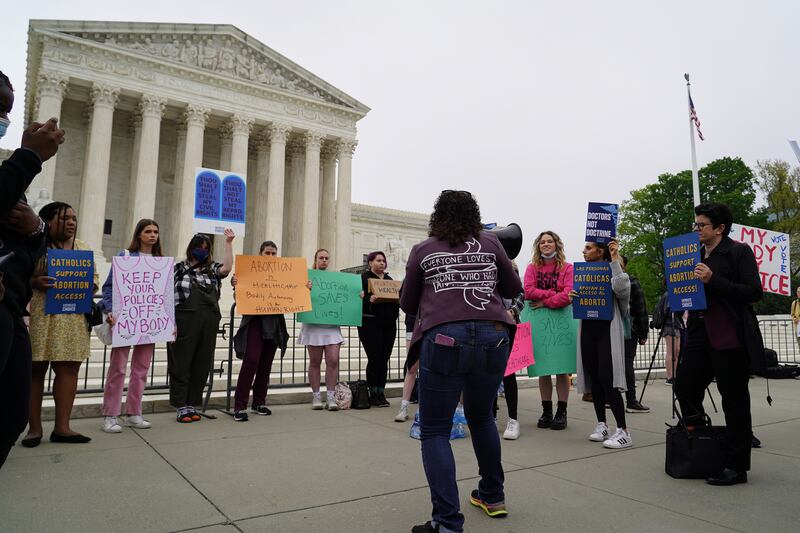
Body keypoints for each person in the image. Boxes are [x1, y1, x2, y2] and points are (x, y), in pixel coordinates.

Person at [401, 190, 522, 533]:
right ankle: (492, 496)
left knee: (435, 429)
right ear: (475, 214)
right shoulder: (491, 243)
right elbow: (512, 286)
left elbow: (408, 303)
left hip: (443, 339)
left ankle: (447, 522)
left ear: (438, 215)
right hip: (493, 334)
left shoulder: (423, 250)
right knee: (482, 417)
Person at [0, 70, 64, 468]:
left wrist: (38, 226)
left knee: (11, 415)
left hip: (10, 304)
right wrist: (29, 156)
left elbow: (30, 235)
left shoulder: (9, 175)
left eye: (6, 110)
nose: (4, 118)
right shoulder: (15, 167)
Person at [675, 203, 763, 486]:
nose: (696, 229)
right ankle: (702, 444)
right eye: (695, 225)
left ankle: (737, 466)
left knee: (734, 399)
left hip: (728, 333)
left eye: (701, 225)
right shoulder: (693, 254)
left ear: (720, 228)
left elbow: (752, 292)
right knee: (685, 386)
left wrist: (713, 280)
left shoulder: (738, 252)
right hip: (699, 331)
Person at [24, 202, 99, 446]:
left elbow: (94, 280)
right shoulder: (35, 247)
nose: (71, 223)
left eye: (74, 219)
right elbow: (19, 275)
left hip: (72, 318)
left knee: (69, 371)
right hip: (40, 316)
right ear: (47, 220)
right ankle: (34, 429)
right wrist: (35, 282)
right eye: (64, 218)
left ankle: (62, 427)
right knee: (35, 371)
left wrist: (89, 285)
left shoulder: (82, 248)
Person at [100, 219, 163, 433]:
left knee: (141, 370)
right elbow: (108, 287)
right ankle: (110, 414)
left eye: (155, 231)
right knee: (118, 368)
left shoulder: (160, 261)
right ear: (139, 235)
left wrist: (168, 321)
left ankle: (134, 412)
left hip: (148, 321)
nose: (153, 235)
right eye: (148, 231)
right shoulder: (124, 256)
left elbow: (164, 297)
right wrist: (109, 310)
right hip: (125, 320)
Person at [571, 239, 633, 449]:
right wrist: (575, 296)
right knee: (594, 378)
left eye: (588, 248)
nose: (584, 251)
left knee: (608, 378)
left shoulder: (613, 269)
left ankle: (623, 431)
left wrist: (615, 259)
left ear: (600, 251)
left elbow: (623, 290)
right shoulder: (584, 273)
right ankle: (601, 424)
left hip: (607, 329)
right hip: (588, 328)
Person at [169, 230, 234, 423]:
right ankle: (181, 405)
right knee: (181, 363)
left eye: (206, 249)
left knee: (201, 363)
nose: (202, 251)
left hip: (208, 321)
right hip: (184, 320)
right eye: (199, 248)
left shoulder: (211, 269)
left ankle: (192, 403)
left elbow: (226, 269)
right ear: (192, 248)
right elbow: (166, 297)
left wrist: (228, 243)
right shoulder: (178, 268)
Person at [522, 231, 574, 435]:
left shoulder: (567, 268)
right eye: (542, 242)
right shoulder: (532, 267)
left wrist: (544, 301)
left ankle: (562, 411)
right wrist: (554, 294)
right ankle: (546, 411)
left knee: (562, 370)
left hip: (561, 325)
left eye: (549, 241)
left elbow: (569, 295)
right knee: (543, 370)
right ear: (538, 246)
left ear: (556, 244)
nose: (546, 244)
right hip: (540, 326)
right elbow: (528, 291)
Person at [231, 241, 289, 421]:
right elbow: (238, 297)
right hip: (255, 321)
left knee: (266, 364)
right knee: (251, 360)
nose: (270, 256)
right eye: (267, 253)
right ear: (260, 253)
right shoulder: (250, 272)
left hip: (273, 322)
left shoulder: (283, 274)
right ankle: (240, 406)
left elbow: (292, 294)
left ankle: (258, 402)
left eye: (273, 253)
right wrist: (236, 285)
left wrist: (305, 289)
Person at [300, 249, 343, 411]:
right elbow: (298, 297)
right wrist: (306, 289)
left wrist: (357, 295)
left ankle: (331, 397)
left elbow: (346, 298)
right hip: (313, 324)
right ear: (316, 260)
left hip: (331, 325)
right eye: (321, 258)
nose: (324, 260)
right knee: (315, 361)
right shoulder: (307, 278)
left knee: (333, 360)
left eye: (326, 258)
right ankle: (316, 396)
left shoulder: (337, 279)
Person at [358, 251, 400, 407]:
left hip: (389, 324)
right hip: (370, 324)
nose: (382, 263)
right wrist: (368, 299)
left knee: (384, 358)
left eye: (383, 261)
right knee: (374, 357)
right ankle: (373, 392)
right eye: (378, 260)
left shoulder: (389, 280)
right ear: (370, 263)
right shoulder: (363, 278)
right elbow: (357, 299)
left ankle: (381, 391)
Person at [621, 255, 650, 413]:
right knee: (623, 365)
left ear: (624, 265)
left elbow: (641, 308)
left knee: (626, 365)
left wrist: (642, 332)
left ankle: (629, 399)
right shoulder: (630, 282)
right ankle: (629, 400)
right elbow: (641, 308)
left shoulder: (631, 282)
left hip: (627, 331)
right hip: (621, 330)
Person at [655, 291, 685, 385]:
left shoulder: (676, 294)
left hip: (676, 324)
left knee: (677, 351)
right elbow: (666, 311)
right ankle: (670, 376)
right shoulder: (669, 294)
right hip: (668, 325)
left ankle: (675, 375)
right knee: (671, 351)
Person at [791, 286, 800, 354]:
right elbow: (792, 314)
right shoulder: (795, 303)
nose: (799, 293)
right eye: (798, 292)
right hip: (798, 326)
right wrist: (794, 319)